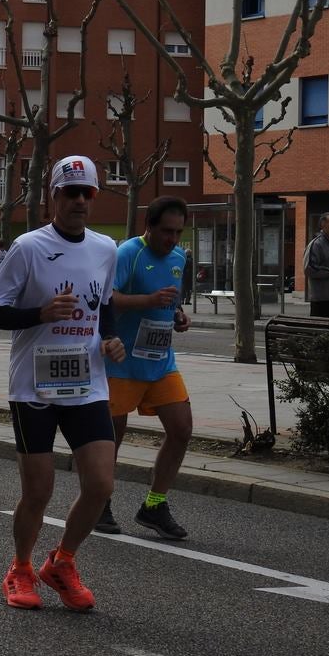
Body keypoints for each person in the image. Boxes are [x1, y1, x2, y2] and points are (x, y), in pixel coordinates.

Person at [0, 155, 125, 611]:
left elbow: (104, 304)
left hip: (87, 384)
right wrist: (39, 314)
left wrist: (111, 337)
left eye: (88, 193)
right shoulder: (27, 247)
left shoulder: (106, 248)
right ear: (54, 197)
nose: (80, 200)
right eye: (72, 192)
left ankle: (62, 562)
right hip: (33, 388)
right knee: (39, 491)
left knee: (101, 485)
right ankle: (20, 569)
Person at [96, 196, 193, 540]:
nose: (172, 239)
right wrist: (148, 302)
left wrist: (177, 315)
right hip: (121, 362)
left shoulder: (180, 256)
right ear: (148, 226)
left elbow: (171, 300)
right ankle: (100, 501)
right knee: (112, 438)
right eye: (166, 231)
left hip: (160, 360)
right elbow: (108, 300)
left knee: (181, 429)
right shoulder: (127, 254)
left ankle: (154, 504)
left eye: (178, 232)